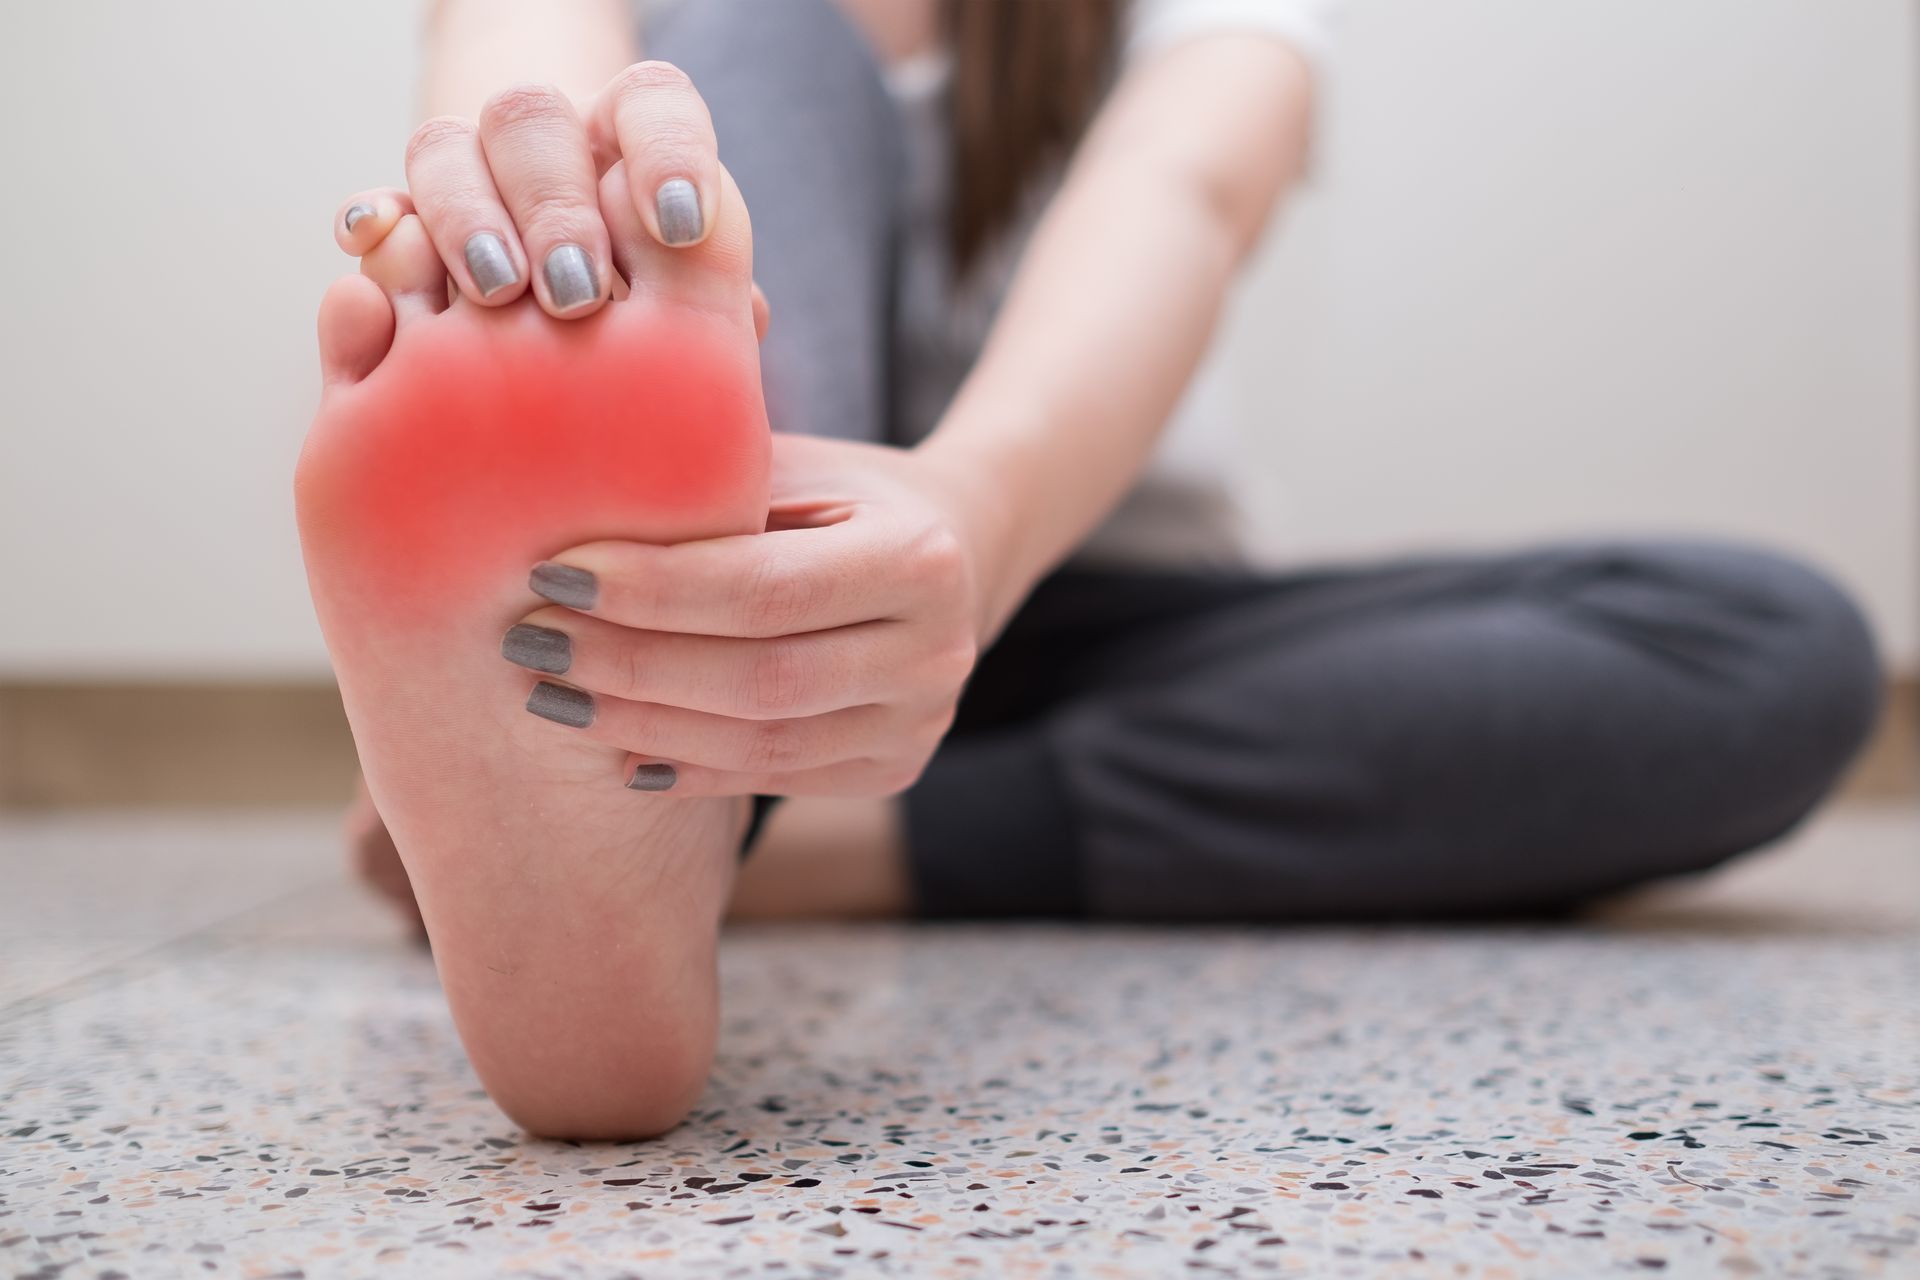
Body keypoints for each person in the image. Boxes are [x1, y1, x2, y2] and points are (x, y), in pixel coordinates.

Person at [304, 0, 1882, 1139]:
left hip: (1080, 615)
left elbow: (1183, 203)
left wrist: (972, 526)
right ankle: (666, 720)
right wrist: (521, 249)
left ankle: (714, 824)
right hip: (754, 580)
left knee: (1767, 646)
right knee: (749, 45)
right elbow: (519, 57)